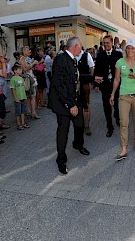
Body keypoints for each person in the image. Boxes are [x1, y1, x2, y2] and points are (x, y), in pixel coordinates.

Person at [49, 36, 90, 175]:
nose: (82, 49)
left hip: (74, 99)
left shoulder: (72, 59)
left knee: (79, 123)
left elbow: (75, 78)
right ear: (76, 46)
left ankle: (78, 144)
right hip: (63, 103)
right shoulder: (61, 59)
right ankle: (61, 160)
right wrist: (70, 104)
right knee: (63, 131)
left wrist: (92, 78)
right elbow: (59, 85)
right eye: (81, 46)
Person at [110, 40, 135, 161]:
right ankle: (124, 148)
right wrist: (112, 94)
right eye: (128, 48)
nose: (130, 51)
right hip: (124, 96)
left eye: (132, 48)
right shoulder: (120, 62)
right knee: (123, 122)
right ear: (125, 50)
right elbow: (116, 79)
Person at [94, 35, 123, 137]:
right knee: (106, 107)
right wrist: (96, 84)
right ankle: (109, 127)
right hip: (105, 85)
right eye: (104, 43)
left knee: (116, 104)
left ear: (112, 43)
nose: (106, 45)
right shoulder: (100, 55)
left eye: (107, 43)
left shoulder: (118, 54)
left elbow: (122, 70)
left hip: (116, 85)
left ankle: (117, 117)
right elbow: (97, 70)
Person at [76, 48, 95, 136]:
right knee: (76, 105)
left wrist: (90, 81)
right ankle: (80, 124)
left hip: (84, 83)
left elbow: (92, 68)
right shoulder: (71, 55)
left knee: (86, 105)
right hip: (74, 85)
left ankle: (87, 126)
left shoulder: (87, 55)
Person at [19, 46, 40, 119]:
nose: (29, 51)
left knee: (29, 96)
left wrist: (34, 65)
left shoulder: (26, 58)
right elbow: (25, 68)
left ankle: (30, 111)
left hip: (29, 77)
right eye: (27, 50)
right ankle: (33, 112)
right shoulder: (22, 59)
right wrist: (33, 63)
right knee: (32, 96)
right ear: (24, 51)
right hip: (27, 79)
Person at [10, 65, 29, 130]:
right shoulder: (13, 79)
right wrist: (16, 98)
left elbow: (23, 88)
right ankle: (19, 124)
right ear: (15, 71)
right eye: (19, 70)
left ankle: (23, 123)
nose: (21, 71)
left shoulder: (21, 78)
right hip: (17, 98)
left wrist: (25, 96)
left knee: (23, 111)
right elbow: (12, 89)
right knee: (18, 112)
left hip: (23, 96)